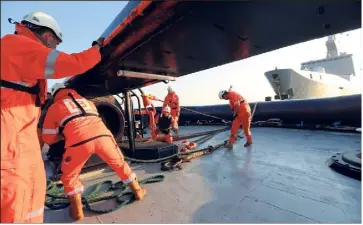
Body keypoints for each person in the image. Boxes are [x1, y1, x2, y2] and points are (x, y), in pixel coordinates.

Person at [1, 11, 104, 223]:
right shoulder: (17, 45)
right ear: (47, 35)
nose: (53, 48)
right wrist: (96, 49)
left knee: (32, 186)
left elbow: (48, 136)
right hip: (11, 135)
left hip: (19, 131)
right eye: (55, 43)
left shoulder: (57, 106)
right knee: (17, 192)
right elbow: (71, 63)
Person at [41, 84, 146, 221]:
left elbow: (48, 137)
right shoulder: (88, 102)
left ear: (55, 95)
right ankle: (137, 190)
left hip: (78, 142)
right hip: (104, 136)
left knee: (70, 176)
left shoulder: (55, 107)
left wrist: (63, 135)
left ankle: (77, 211)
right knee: (120, 164)